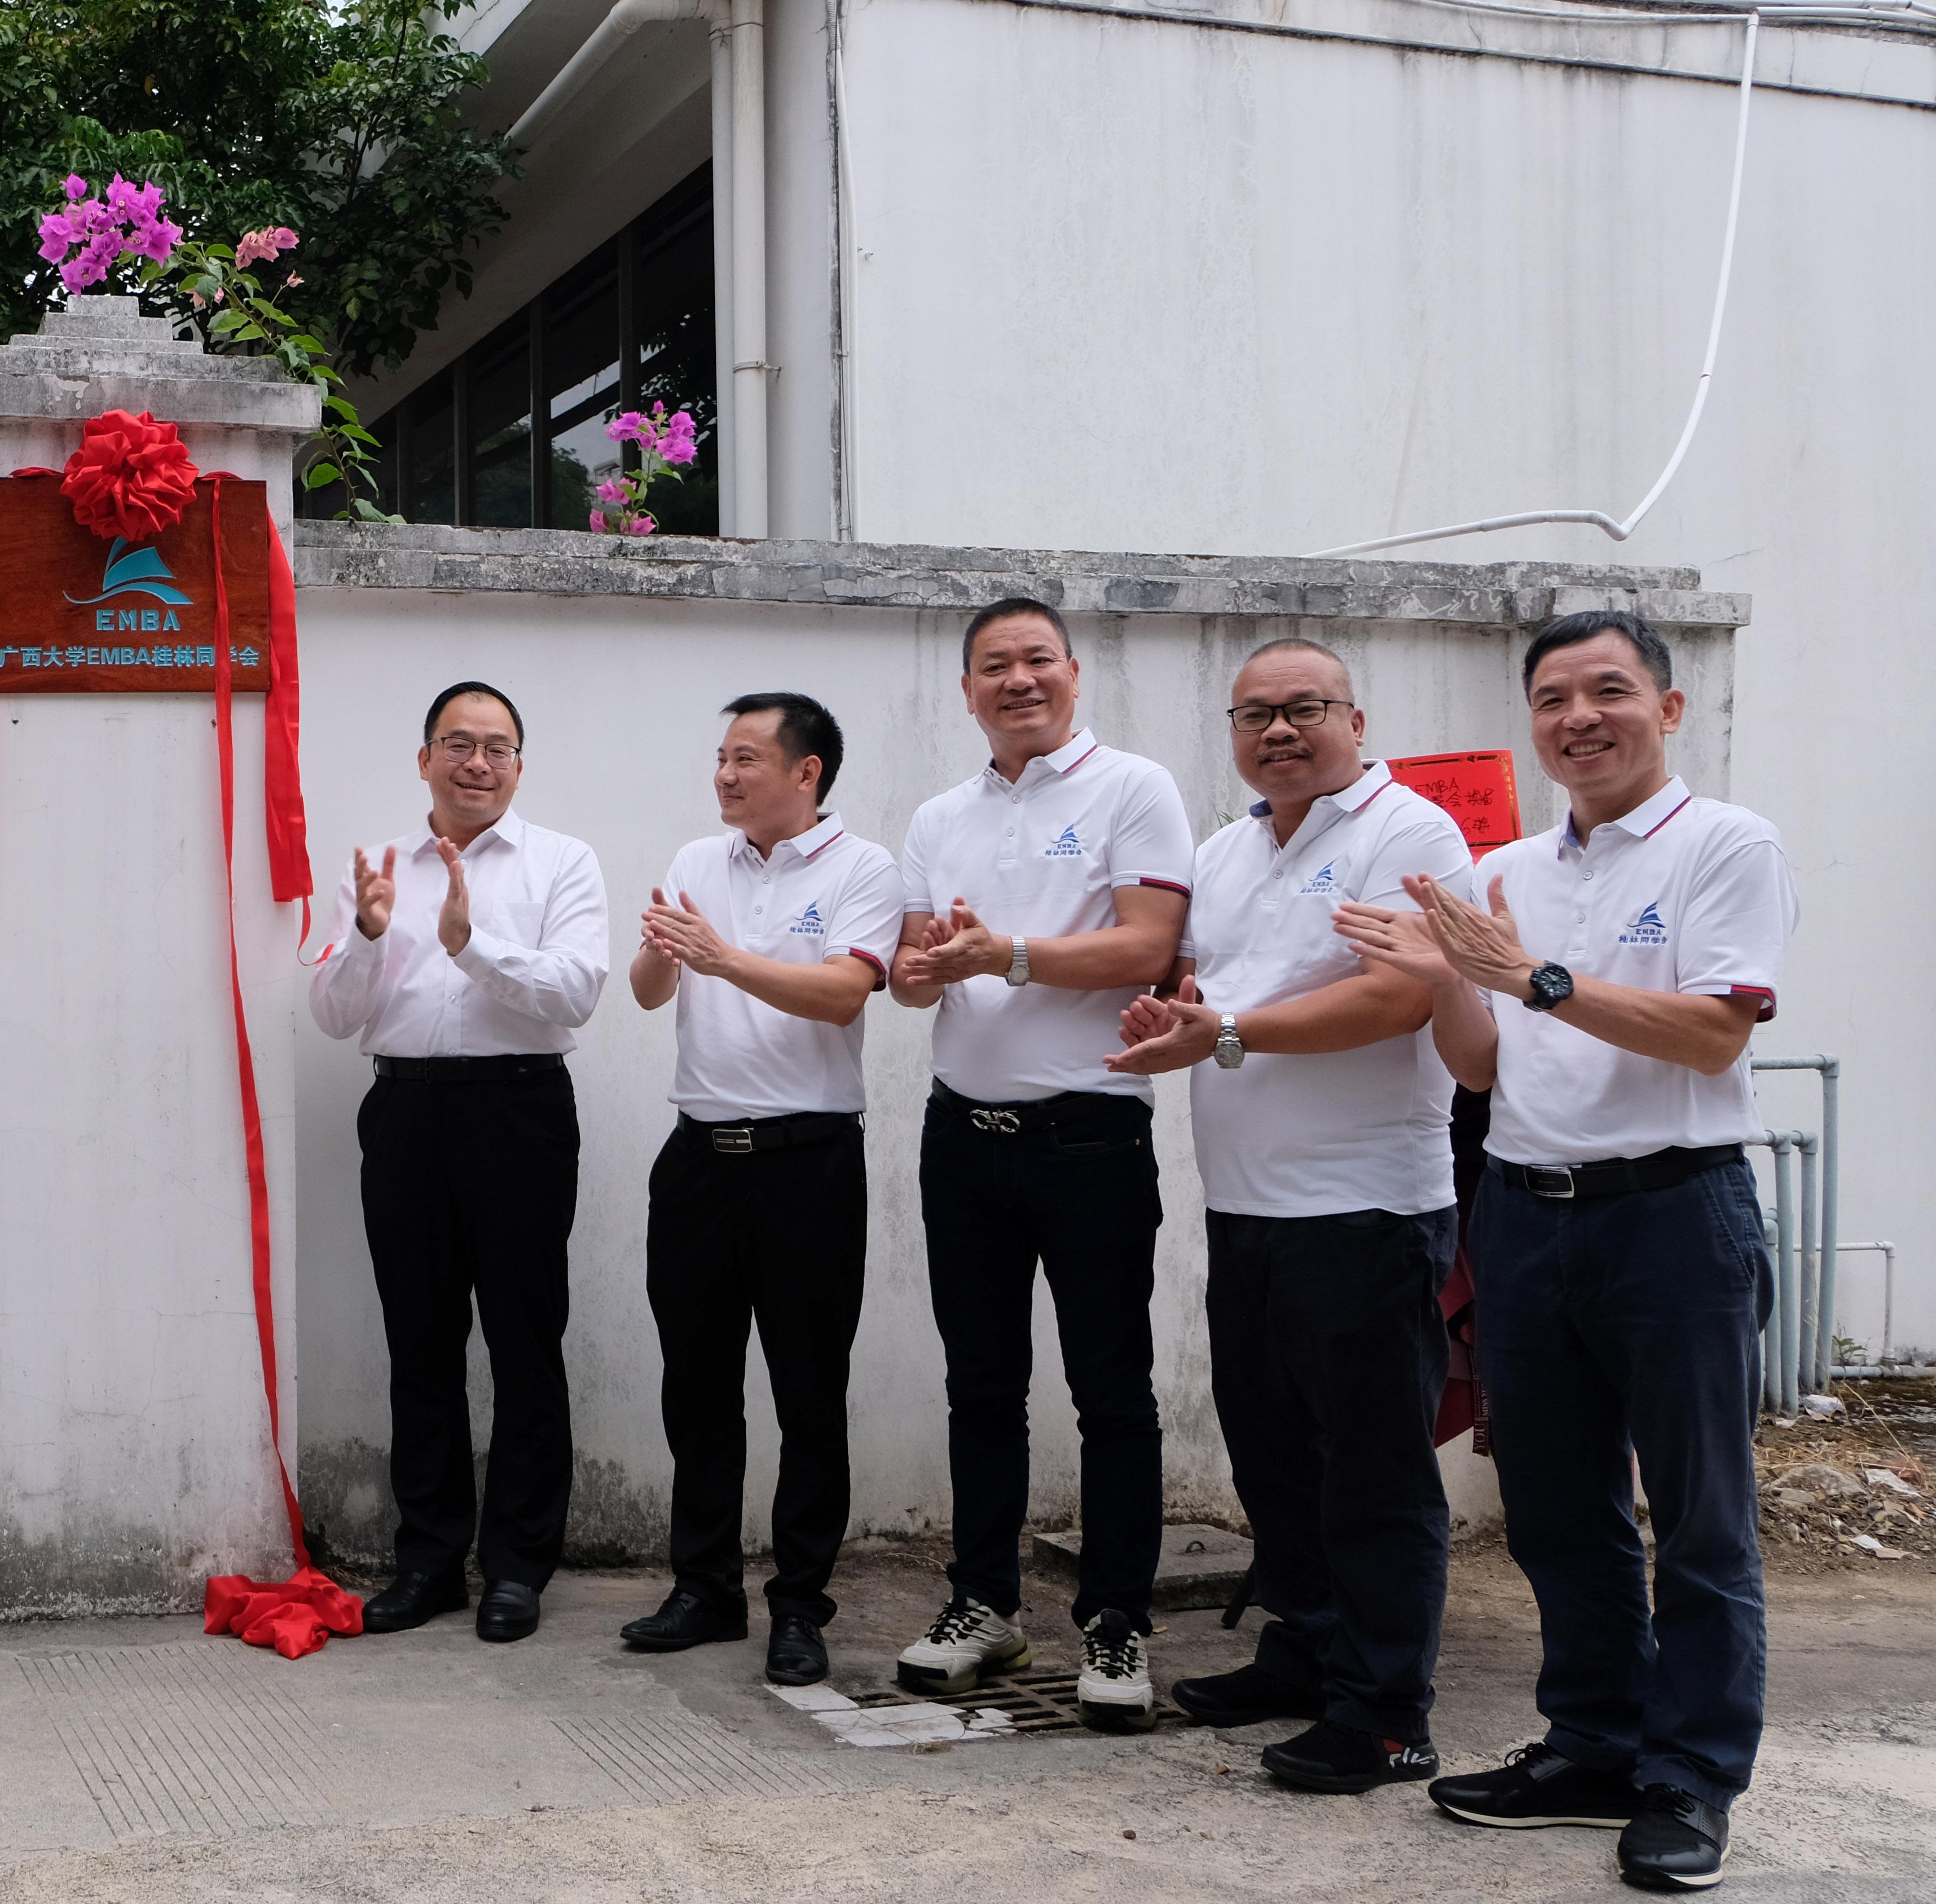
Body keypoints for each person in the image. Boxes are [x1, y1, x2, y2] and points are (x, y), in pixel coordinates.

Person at [1336, 610, 1794, 1890]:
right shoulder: (1517, 869)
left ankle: (1692, 1777)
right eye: (1552, 698)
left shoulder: (1727, 844)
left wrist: (1532, 976)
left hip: (1673, 1213)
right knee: (1557, 1505)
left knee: (1700, 1517)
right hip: (1528, 1211)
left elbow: (1714, 1033)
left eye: (1608, 691)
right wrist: (1450, 976)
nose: (1579, 718)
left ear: (1669, 707)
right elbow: (1485, 1066)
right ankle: (1596, 1742)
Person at [1102, 638, 1475, 1792]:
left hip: (1366, 1207)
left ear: (1355, 721)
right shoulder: (1226, 850)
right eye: (1254, 714)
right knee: (1274, 1460)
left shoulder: (1409, 835)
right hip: (1246, 1204)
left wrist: (1224, 1031)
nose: (1278, 731)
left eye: (1304, 708)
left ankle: (1386, 1712)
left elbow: (1398, 997)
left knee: (1373, 1473)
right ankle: (1308, 1651)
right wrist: (1178, 1016)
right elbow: (1209, 990)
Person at [886, 598, 1193, 1732]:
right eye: (993, 666)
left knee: (1111, 1389)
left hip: (1091, 1137)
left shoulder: (1133, 789)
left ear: (1072, 671)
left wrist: (1004, 953)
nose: (1017, 680)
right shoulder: (939, 816)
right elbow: (912, 969)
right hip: (963, 1136)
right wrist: (924, 970)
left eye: (1035, 660)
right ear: (967, 691)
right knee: (981, 1386)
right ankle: (984, 1602)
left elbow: (1149, 945)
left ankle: (1115, 1620)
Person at [309, 681, 610, 1643]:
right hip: (406, 1113)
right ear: (425, 758)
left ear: (519, 764)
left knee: (526, 1342)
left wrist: (471, 946)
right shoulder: (377, 867)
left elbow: (576, 993)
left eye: (497, 747)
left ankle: (517, 1567)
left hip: (520, 1111)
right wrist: (367, 935)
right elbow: (332, 1015)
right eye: (458, 744)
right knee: (420, 1342)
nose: (477, 763)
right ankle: (430, 1561)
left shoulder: (563, 862)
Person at [619, 694, 897, 1688]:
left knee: (808, 1391)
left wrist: (725, 958)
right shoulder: (700, 861)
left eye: (747, 759)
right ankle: (704, 1588)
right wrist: (662, 952)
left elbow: (843, 992)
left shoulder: (864, 868)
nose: (726, 776)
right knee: (696, 1385)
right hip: (699, 1158)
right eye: (721, 758)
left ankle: (801, 1606)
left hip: (806, 1162)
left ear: (806, 772)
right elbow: (649, 992)